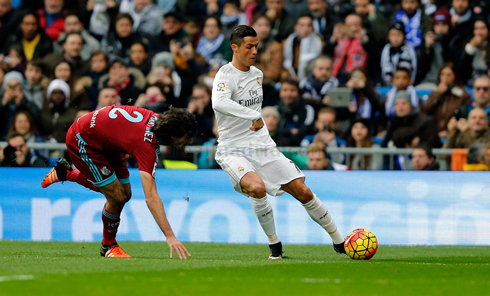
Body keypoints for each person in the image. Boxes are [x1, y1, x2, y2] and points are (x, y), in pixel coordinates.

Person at [212, 25, 346, 259]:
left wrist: (256, 118)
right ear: (234, 48)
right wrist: (253, 116)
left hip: (263, 146)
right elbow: (219, 104)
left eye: (256, 46)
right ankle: (275, 245)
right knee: (257, 188)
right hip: (233, 149)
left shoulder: (257, 74)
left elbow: (253, 108)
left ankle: (340, 241)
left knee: (303, 191)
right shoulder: (224, 75)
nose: (254, 51)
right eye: (249, 47)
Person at [41, 106, 197, 258]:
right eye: (187, 137)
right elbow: (151, 197)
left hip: (107, 140)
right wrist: (170, 236)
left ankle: (66, 173)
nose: (189, 141)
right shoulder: (146, 144)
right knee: (117, 196)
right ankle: (108, 246)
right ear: (174, 135)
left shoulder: (159, 122)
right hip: (83, 139)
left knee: (125, 194)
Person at [422, 62, 471, 138]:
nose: (445, 78)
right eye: (442, 74)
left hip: (454, 134)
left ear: (455, 76)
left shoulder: (463, 95)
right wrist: (437, 93)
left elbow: (463, 118)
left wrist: (449, 132)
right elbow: (425, 111)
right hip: (434, 134)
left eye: (449, 75)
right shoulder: (436, 93)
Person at [275, 78, 315, 146]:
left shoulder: (307, 109)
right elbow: (271, 131)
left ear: (298, 93)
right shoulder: (274, 110)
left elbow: (304, 131)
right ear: (280, 92)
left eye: (292, 90)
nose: (288, 94)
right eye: (285, 90)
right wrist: (290, 131)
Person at [283, 13, 322, 81]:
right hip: (292, 77)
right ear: (296, 27)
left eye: (308, 25)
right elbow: (287, 60)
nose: (305, 29)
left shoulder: (317, 41)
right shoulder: (291, 40)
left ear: (312, 27)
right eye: (302, 25)